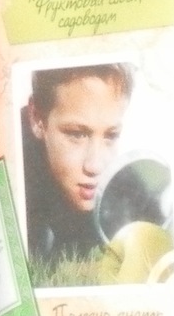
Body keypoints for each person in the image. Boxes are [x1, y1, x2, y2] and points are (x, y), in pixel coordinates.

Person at [23, 62, 133, 283]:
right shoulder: (11, 179)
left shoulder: (127, 191)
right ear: (37, 118)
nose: (95, 166)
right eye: (76, 134)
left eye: (111, 136)